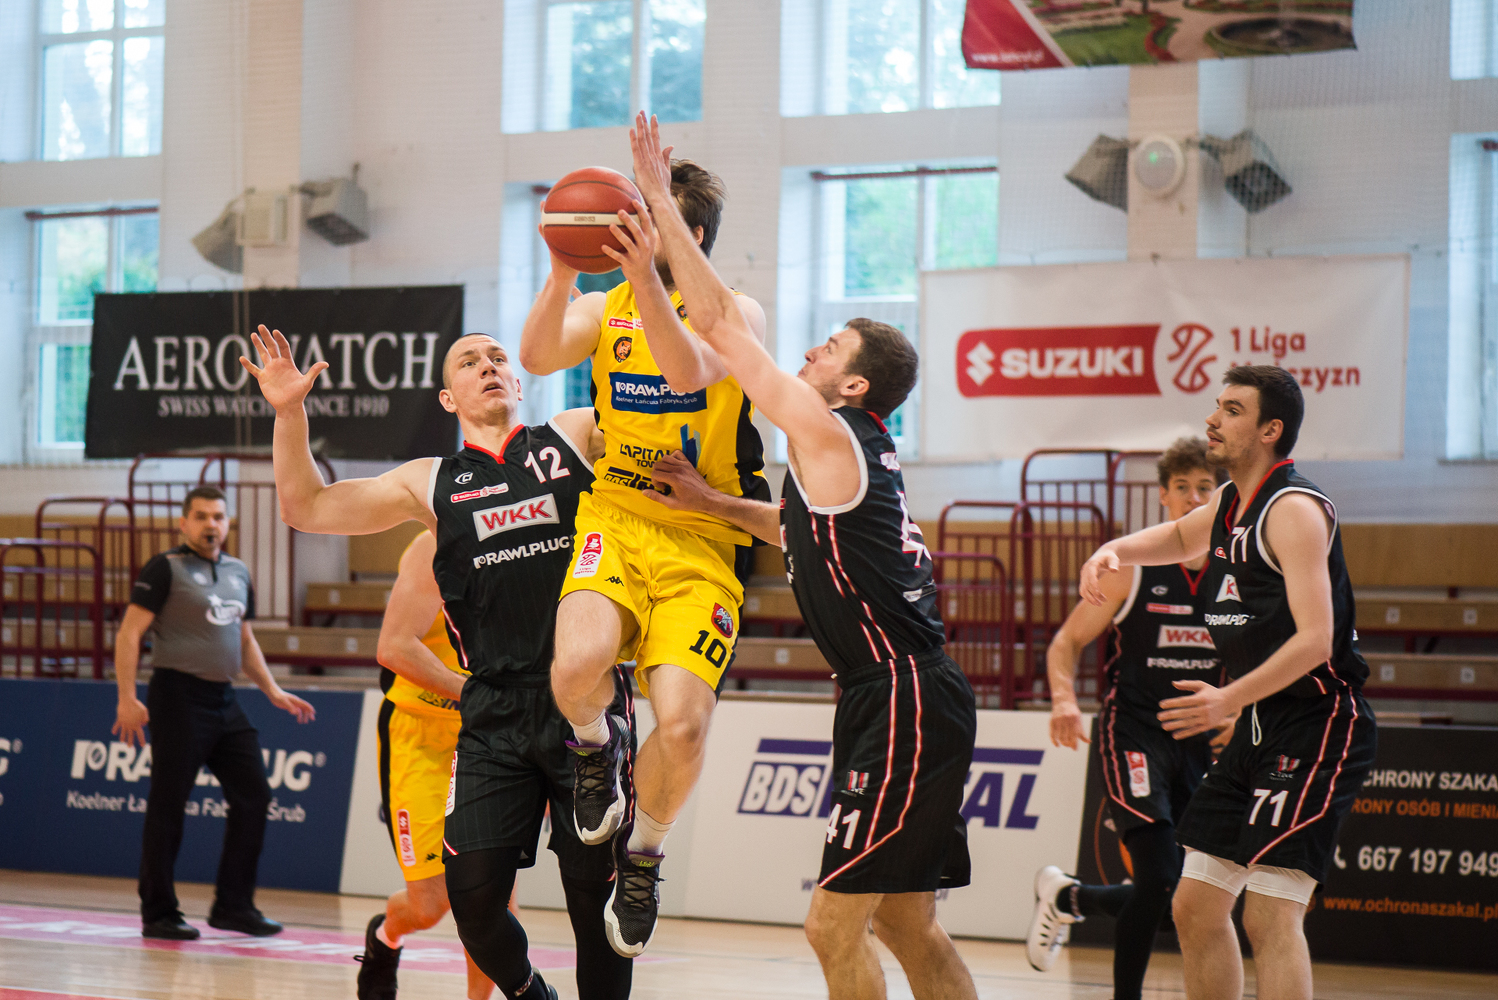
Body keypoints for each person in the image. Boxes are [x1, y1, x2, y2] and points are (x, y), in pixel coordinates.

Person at [619, 112, 979, 1000]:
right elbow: (800, 529)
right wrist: (713, 504)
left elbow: (719, 325)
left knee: (831, 924)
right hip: (904, 693)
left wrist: (660, 201)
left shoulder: (827, 428)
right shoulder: (849, 456)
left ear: (854, 384)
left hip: (900, 697)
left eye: (830, 348)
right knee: (906, 921)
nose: (811, 350)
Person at [241, 327, 632, 1000]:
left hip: (586, 704)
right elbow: (306, 507)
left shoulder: (571, 434)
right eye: (469, 362)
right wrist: (289, 413)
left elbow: (660, 411)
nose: (488, 366)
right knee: (472, 901)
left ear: (519, 383)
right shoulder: (430, 481)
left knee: (593, 904)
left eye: (498, 358)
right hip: (493, 708)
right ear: (449, 397)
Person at [519, 137, 770, 957]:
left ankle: (644, 855)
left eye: (655, 217)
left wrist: (643, 270)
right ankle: (596, 750)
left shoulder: (738, 313)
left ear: (688, 235)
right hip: (618, 518)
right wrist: (563, 268)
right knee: (573, 669)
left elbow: (688, 369)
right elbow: (536, 356)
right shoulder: (609, 307)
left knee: (685, 728)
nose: (638, 231)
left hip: (704, 542)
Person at [1077, 365, 1376, 1000]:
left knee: (1269, 914)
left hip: (1319, 723)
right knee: (1195, 906)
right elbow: (1177, 535)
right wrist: (1115, 550)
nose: (1213, 419)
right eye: (1217, 406)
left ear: (1271, 430)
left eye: (1232, 410)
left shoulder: (1293, 510)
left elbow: (1316, 640)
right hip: (1261, 725)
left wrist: (1229, 698)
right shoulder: (1229, 505)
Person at [1027, 439, 1230, 998]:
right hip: (1133, 735)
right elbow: (1065, 643)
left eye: (1205, 488)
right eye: (1182, 487)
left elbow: (1257, 658)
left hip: (1194, 743)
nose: (1194, 498)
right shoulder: (1133, 571)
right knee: (1159, 878)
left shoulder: (1232, 579)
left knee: (1183, 900)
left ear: (1219, 498)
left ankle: (1069, 898)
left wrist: (1238, 704)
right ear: (1164, 496)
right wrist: (1064, 700)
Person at [112, 485, 316, 941]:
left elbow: (244, 639)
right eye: (202, 516)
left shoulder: (238, 571)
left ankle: (233, 906)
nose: (211, 525)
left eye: (219, 517)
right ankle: (159, 913)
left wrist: (272, 690)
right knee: (168, 803)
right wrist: (126, 697)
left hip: (224, 699)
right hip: (177, 696)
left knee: (254, 794)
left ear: (227, 523)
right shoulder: (165, 568)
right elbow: (129, 634)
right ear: (183, 523)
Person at [358, 530, 494, 1000]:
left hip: (487, 738)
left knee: (491, 899)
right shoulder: (434, 545)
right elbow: (394, 649)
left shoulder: (537, 540)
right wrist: (480, 695)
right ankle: (384, 937)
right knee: (429, 907)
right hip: (418, 732)